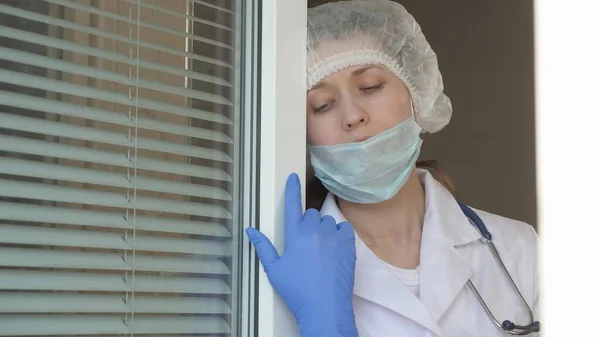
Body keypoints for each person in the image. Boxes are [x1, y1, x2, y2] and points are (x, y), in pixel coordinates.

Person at [246, 0, 540, 336]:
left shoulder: (519, 250)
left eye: (370, 87)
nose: (352, 116)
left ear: (416, 96)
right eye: (321, 105)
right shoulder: (286, 271)